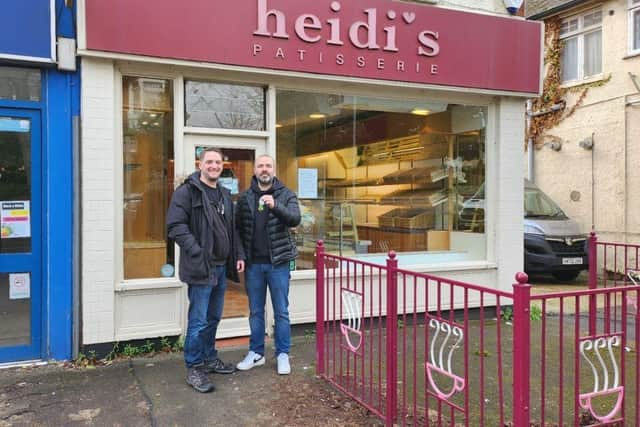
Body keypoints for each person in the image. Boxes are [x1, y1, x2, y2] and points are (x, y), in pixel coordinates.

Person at [167, 147, 243, 393]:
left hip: (220, 268)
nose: (213, 166)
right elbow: (176, 226)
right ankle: (194, 367)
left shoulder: (224, 193)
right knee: (198, 320)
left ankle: (209, 358)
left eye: (218, 162)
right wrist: (198, 251)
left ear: (222, 166)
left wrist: (238, 255)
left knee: (213, 317)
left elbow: (232, 229)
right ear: (200, 164)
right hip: (201, 267)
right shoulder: (187, 192)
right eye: (209, 162)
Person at [235, 154, 301, 375]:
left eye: (268, 166)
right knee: (255, 311)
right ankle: (256, 353)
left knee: (281, 311)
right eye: (260, 166)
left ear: (274, 169)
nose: (264, 169)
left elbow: (295, 218)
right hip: (254, 266)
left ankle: (282, 354)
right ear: (254, 170)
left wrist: (275, 206)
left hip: (279, 264)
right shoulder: (245, 198)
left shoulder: (286, 194)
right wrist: (240, 256)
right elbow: (238, 231)